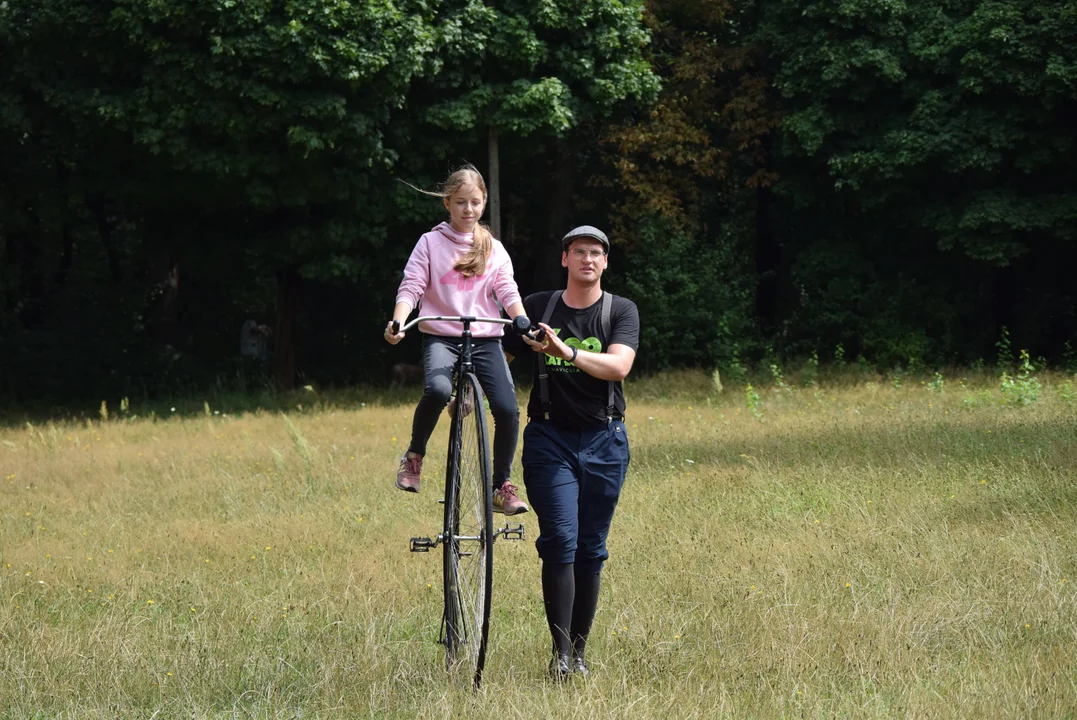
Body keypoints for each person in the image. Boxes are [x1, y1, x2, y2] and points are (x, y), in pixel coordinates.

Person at [503, 225, 640, 680]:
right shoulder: (540, 306)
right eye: (578, 252)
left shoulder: (620, 310)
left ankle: (579, 654)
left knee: (590, 548)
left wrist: (567, 351)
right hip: (549, 439)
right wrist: (470, 391)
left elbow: (619, 365)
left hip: (605, 440)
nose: (587, 259)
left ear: (605, 262)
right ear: (564, 259)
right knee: (560, 541)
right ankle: (560, 656)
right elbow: (500, 355)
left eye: (596, 253)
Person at [384, 164, 529, 515]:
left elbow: (506, 288)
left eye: (475, 203)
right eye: (461, 202)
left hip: (485, 338)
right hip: (442, 336)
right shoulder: (430, 242)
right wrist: (399, 321)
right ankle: (414, 456)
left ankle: (501, 486)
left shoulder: (492, 247)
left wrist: (520, 318)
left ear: (484, 204)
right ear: (447, 204)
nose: (469, 209)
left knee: (509, 410)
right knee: (435, 389)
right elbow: (413, 285)